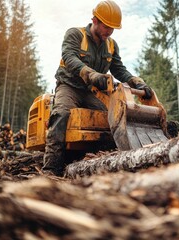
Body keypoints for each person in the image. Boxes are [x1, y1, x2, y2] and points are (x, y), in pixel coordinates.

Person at [42, 0, 152, 176]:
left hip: (93, 92)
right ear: (95, 20)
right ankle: (50, 169)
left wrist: (136, 82)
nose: (109, 31)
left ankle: (101, 161)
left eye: (112, 28)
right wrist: (91, 74)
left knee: (110, 115)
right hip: (70, 86)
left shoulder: (111, 44)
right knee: (61, 114)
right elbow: (69, 57)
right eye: (106, 26)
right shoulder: (75, 34)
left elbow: (119, 69)